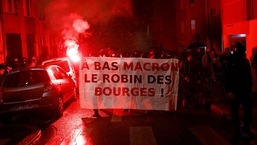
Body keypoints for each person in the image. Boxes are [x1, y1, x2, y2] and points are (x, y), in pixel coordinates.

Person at [225, 42, 254, 142]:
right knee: (237, 111)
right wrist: (229, 90)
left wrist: (249, 88)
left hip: (243, 90)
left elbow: (248, 76)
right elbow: (228, 77)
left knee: (246, 110)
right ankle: (238, 130)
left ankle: (244, 128)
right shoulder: (233, 62)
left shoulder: (243, 61)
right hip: (237, 90)